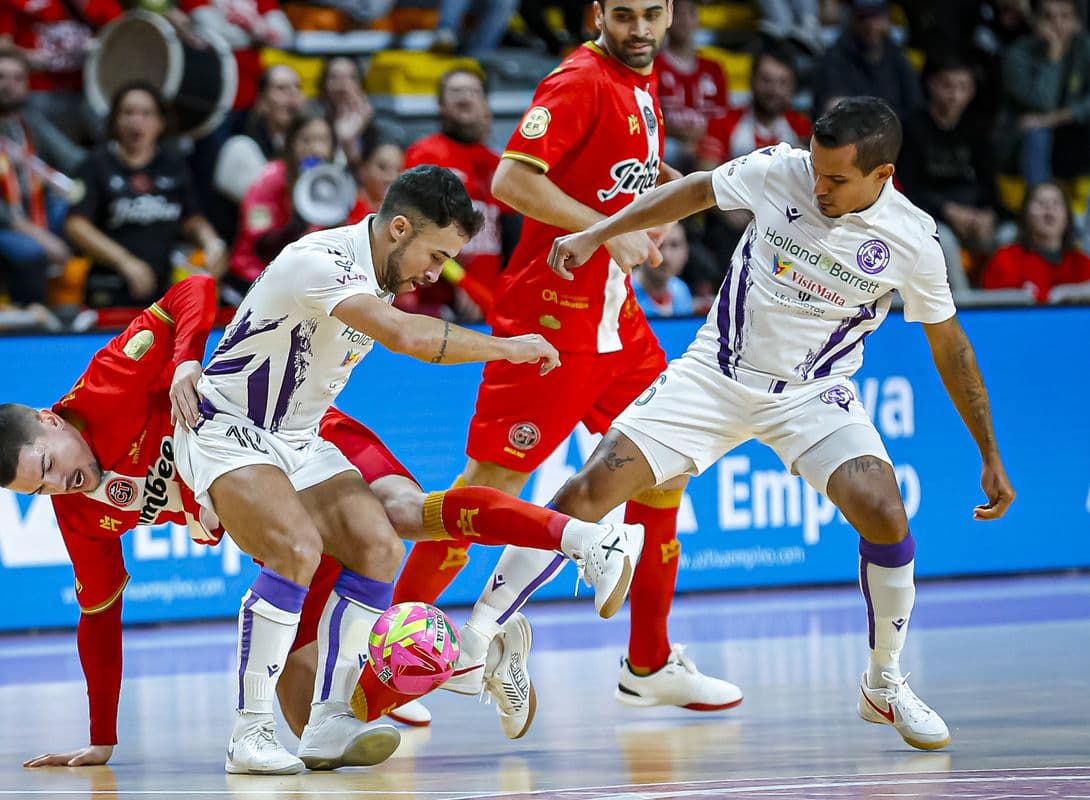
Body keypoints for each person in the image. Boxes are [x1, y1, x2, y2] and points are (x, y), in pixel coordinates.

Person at [0, 274, 645, 768]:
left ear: (50, 420)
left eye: (50, 465)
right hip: (268, 513)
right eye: (40, 489)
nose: (62, 484)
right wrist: (102, 740)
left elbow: (192, 289)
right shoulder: (80, 511)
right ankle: (472, 655)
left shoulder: (108, 382)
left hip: (299, 439)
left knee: (397, 516)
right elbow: (99, 619)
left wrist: (183, 362)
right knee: (314, 721)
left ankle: (589, 539)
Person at [546, 96, 1016, 751]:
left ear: (881, 177)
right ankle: (488, 636)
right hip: (716, 373)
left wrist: (988, 453)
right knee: (585, 493)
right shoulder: (783, 169)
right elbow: (692, 192)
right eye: (817, 171)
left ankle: (884, 684)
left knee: (884, 509)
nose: (819, 186)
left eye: (837, 179)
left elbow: (951, 346)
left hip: (813, 395)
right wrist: (599, 232)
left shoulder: (912, 239)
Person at [170, 164, 642, 774]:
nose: (436, 271)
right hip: (231, 426)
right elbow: (404, 337)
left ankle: (330, 720)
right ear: (398, 228)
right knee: (296, 549)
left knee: (380, 546)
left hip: (299, 437)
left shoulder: (379, 273)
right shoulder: (323, 262)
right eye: (436, 253)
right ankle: (250, 733)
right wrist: (508, 348)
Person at [392, 0, 743, 741]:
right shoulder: (580, 79)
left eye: (652, 13)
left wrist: (685, 194)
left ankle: (647, 664)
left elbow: (624, 173)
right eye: (624, 14)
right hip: (553, 320)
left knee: (666, 467)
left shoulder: (640, 78)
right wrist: (602, 231)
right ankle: (390, 663)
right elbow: (514, 182)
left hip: (618, 322)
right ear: (597, 13)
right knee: (489, 489)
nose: (640, 28)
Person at [65, 82, 227, 309]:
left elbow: (192, 218)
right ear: (115, 121)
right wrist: (124, 262)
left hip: (161, 288)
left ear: (161, 123)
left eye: (146, 113)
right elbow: (76, 224)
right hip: (109, 287)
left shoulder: (173, 165)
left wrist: (212, 243)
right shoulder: (95, 164)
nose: (136, 121)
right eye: (128, 112)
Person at [402, 68, 508, 321]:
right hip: (442, 301)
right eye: (456, 92)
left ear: (484, 105)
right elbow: (419, 230)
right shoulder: (424, 155)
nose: (465, 98)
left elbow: (510, 236)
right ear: (441, 105)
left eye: (473, 92)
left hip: (490, 299)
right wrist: (461, 284)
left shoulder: (498, 163)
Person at [0, 46, 84, 328]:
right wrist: (41, 237)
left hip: (31, 210)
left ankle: (72, 304)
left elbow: (74, 159)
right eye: (1, 77)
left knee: (79, 214)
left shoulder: (27, 123)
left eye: (16, 78)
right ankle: (34, 319)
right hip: (7, 221)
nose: (8, 86)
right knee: (30, 252)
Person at [897, 54, 997, 289]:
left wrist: (987, 214)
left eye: (963, 87)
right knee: (945, 242)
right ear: (931, 84)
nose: (955, 95)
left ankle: (1002, 309)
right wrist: (947, 211)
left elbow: (989, 183)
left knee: (1006, 237)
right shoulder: (910, 126)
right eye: (947, 86)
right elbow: (907, 189)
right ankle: (966, 309)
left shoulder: (978, 127)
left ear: (972, 90)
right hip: (927, 217)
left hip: (973, 214)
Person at [228, 109, 338, 295]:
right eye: (306, 140)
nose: (315, 149)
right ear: (291, 144)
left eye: (322, 140)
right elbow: (261, 246)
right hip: (256, 276)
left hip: (304, 279)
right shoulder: (268, 179)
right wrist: (300, 215)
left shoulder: (332, 182)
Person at [995, 0, 1090, 186]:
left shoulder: (1084, 48)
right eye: (1048, 16)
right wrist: (1053, 56)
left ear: (1077, 22)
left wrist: (1053, 118)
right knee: (1037, 131)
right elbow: (1043, 103)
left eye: (1065, 16)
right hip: (1019, 139)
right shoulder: (1017, 54)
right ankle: (1041, 202)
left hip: (1069, 131)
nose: (1057, 24)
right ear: (1036, 20)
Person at [980, 180, 1090, 302]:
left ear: (1068, 216)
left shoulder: (1083, 264)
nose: (1049, 209)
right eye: (1040, 203)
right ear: (1025, 214)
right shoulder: (1005, 260)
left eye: (1056, 203)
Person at [811, 0, 921, 119]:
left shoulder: (896, 54)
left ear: (886, 18)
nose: (870, 25)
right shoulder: (836, 56)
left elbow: (915, 105)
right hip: (855, 132)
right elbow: (833, 107)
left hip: (895, 131)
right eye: (863, 17)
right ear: (852, 19)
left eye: (875, 16)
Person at [654, 0, 729, 170]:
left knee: (715, 148)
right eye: (679, 14)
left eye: (690, 14)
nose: (685, 20)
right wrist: (684, 135)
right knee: (670, 151)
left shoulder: (714, 68)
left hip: (706, 142)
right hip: (670, 141)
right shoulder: (653, 66)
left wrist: (699, 139)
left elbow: (724, 116)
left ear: (698, 20)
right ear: (668, 19)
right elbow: (649, 117)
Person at [631, 222, 693, 317]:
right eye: (657, 243)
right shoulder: (622, 292)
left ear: (686, 252)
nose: (666, 255)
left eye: (674, 245)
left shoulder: (682, 291)